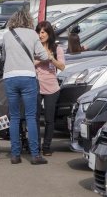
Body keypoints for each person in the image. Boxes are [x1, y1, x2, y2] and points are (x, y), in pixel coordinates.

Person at [2, 8, 50, 165]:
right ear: (28, 20)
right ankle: (35, 155)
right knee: (30, 116)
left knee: (14, 117)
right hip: (27, 76)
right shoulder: (32, 34)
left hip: (10, 76)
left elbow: (4, 57)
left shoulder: (7, 35)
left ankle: (15, 155)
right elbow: (43, 55)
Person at [35, 21, 65, 156]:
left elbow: (62, 66)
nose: (40, 35)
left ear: (49, 33)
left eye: (43, 32)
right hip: (35, 85)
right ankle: (35, 146)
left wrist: (51, 58)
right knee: (34, 117)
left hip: (52, 87)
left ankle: (46, 146)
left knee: (49, 119)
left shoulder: (57, 48)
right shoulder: (34, 47)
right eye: (38, 32)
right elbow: (30, 63)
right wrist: (42, 58)